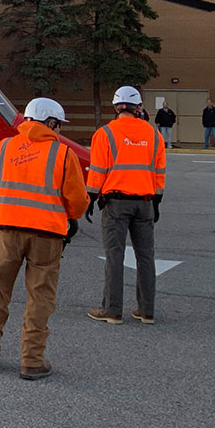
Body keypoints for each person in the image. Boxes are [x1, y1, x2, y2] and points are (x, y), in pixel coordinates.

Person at [0, 98, 88, 381]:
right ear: (51, 123)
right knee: (40, 297)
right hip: (48, 235)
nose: (58, 130)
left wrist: (9, 209)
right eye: (58, 125)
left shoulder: (5, 147)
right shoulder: (63, 154)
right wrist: (65, 215)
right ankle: (32, 360)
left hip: (8, 231)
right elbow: (78, 202)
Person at [86, 86, 166, 326]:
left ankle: (112, 310)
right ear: (138, 107)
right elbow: (159, 172)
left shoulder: (105, 133)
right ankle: (147, 310)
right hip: (145, 203)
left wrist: (90, 198)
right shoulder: (153, 134)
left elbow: (98, 171)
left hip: (115, 203)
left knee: (115, 256)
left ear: (115, 107)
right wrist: (157, 201)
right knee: (146, 257)